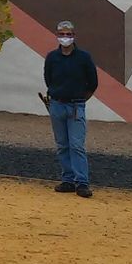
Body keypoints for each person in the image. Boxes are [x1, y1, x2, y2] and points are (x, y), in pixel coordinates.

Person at [43, 20, 97, 198]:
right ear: (57, 35)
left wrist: (80, 99)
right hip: (57, 105)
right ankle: (68, 180)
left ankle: (82, 182)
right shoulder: (52, 58)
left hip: (75, 106)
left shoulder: (84, 58)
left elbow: (93, 83)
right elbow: (48, 79)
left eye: (68, 34)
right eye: (62, 34)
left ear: (74, 36)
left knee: (76, 145)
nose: (65, 37)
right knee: (62, 145)